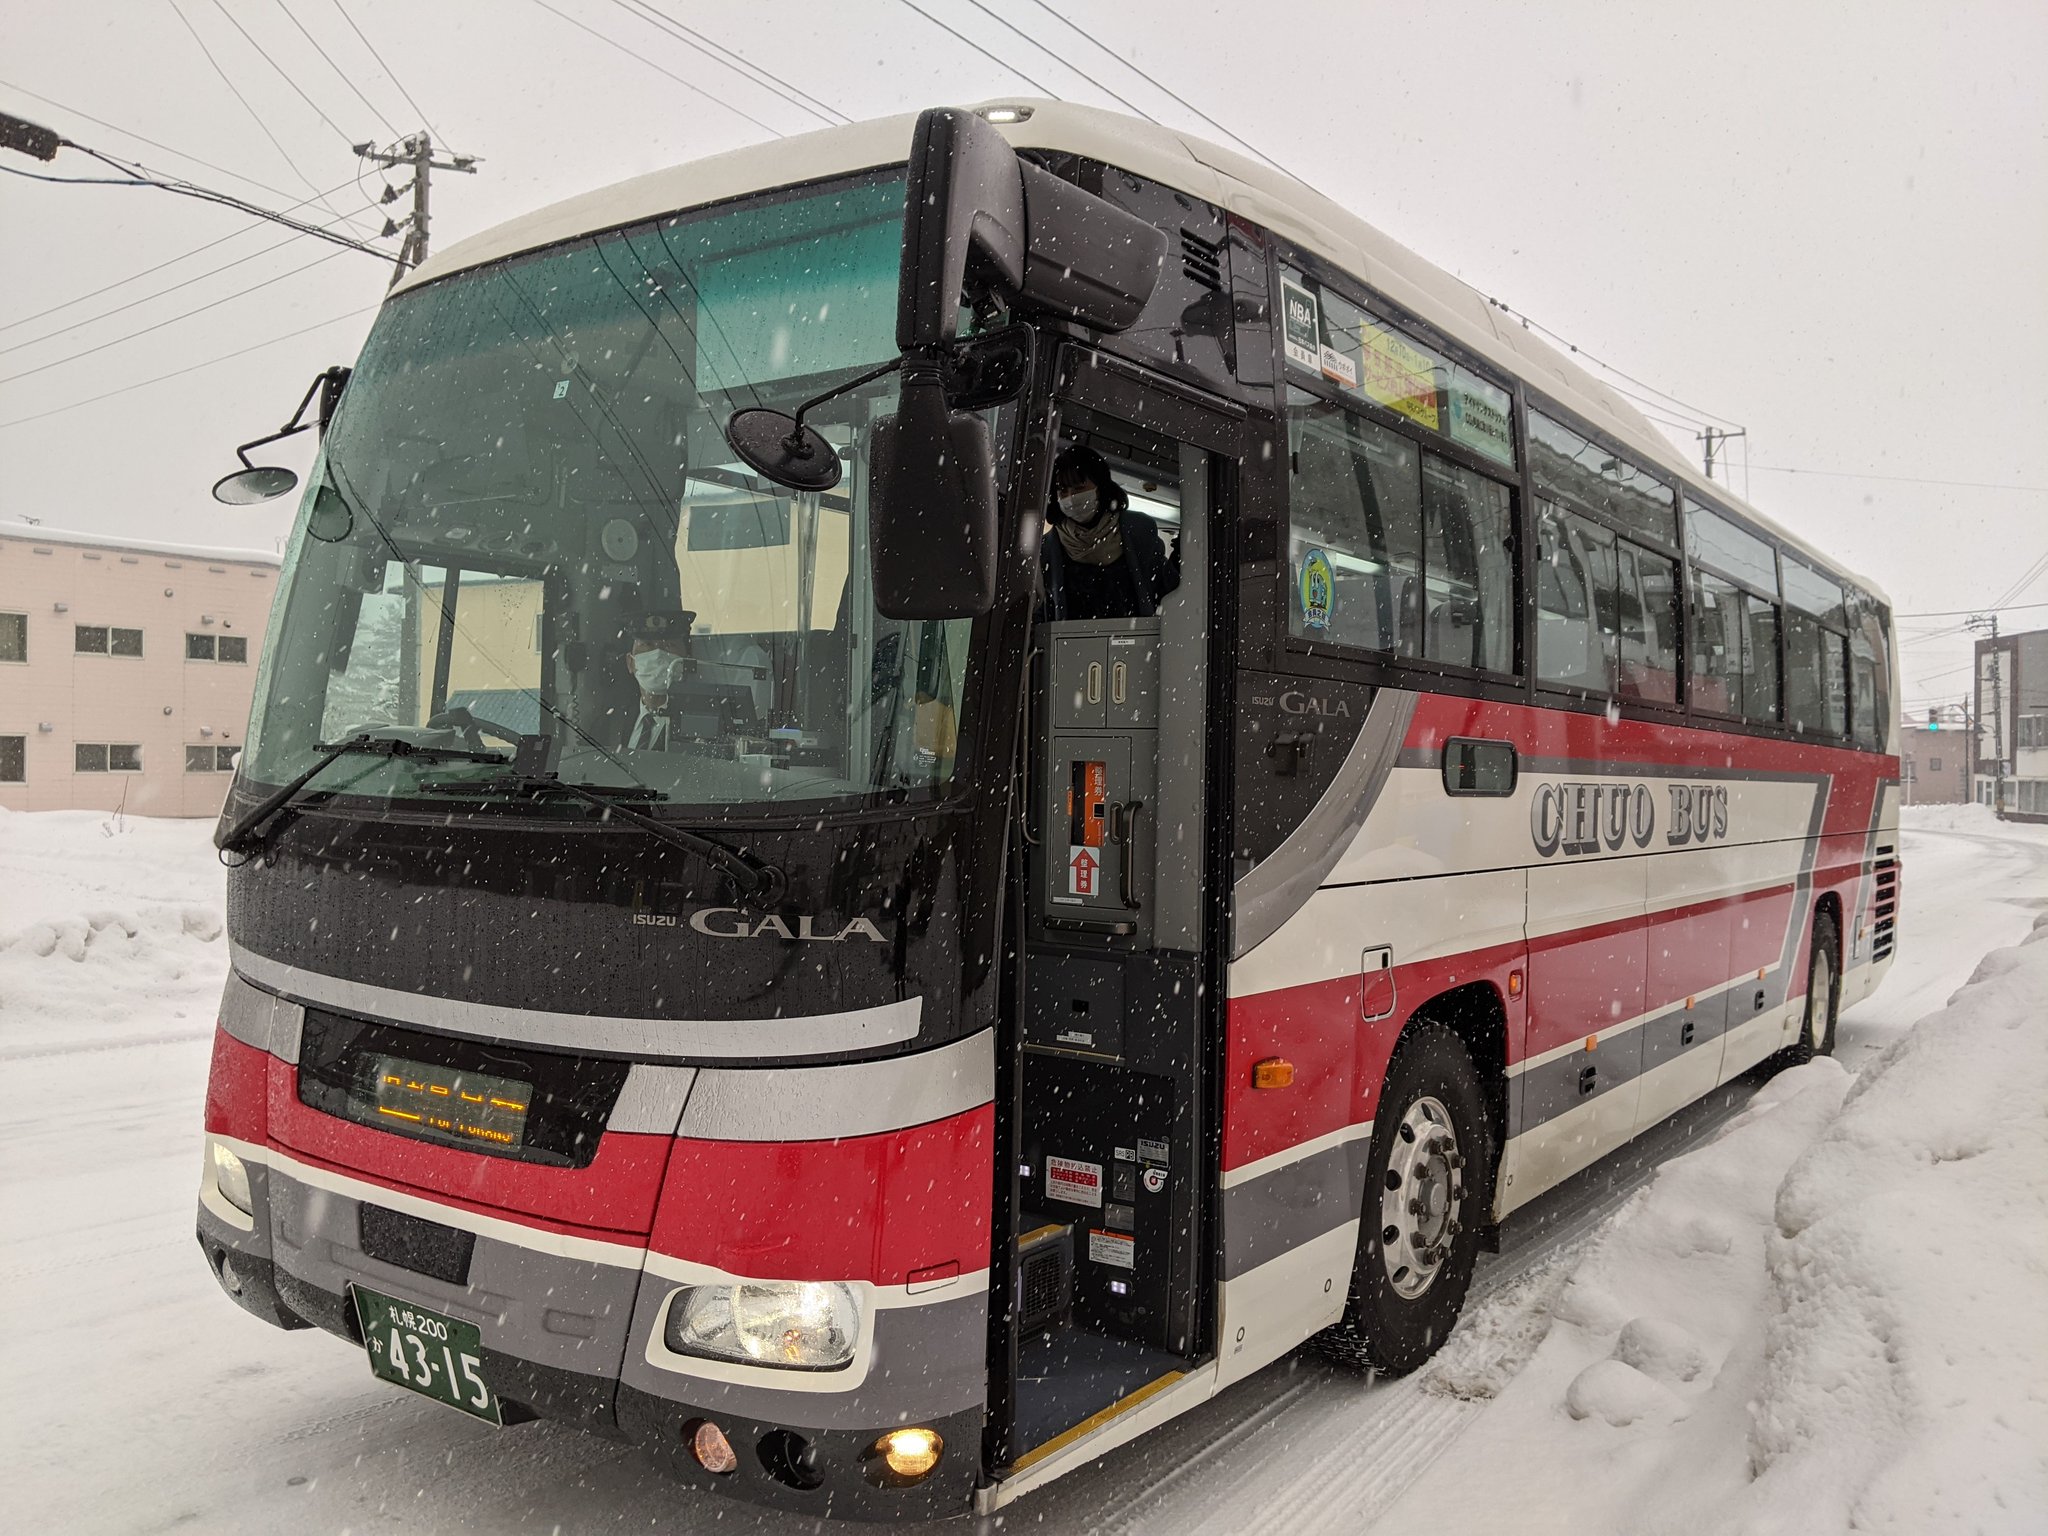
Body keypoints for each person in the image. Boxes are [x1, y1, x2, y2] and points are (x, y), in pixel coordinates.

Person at [1041, 443, 1179, 621]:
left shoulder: (1139, 531)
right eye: (1062, 490)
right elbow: (1043, 610)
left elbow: (1168, 589)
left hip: (1136, 642)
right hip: (1072, 644)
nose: (1070, 497)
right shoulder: (1048, 549)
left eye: (1078, 487)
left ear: (1100, 486)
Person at [617, 608, 701, 752]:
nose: (657, 654)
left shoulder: (699, 726)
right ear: (630, 663)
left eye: (669, 645)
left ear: (686, 662)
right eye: (647, 644)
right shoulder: (614, 723)